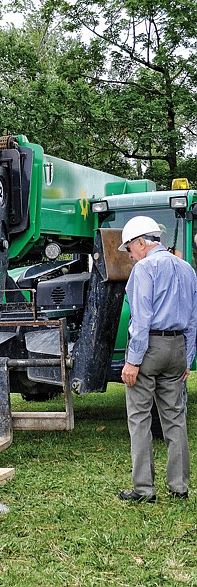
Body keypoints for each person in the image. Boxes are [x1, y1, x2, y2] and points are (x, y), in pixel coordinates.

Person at [118, 215, 197, 502]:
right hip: (177, 348)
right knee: (175, 418)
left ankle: (144, 490)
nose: (130, 254)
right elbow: (192, 318)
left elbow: (141, 319)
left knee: (139, 418)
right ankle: (179, 487)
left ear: (142, 242)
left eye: (129, 248)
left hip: (149, 347)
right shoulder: (187, 268)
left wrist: (133, 361)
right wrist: (188, 359)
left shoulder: (144, 269)